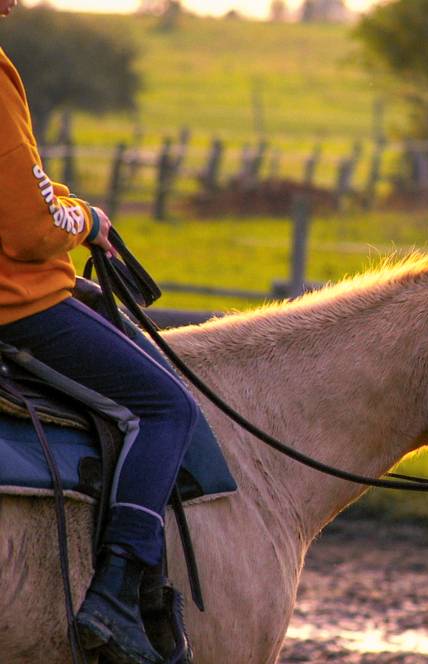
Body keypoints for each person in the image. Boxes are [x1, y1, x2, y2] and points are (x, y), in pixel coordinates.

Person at [0, 2, 197, 662]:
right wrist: (83, 222)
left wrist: (81, 211)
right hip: (14, 304)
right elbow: (29, 231)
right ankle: (116, 595)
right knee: (164, 406)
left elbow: (19, 188)